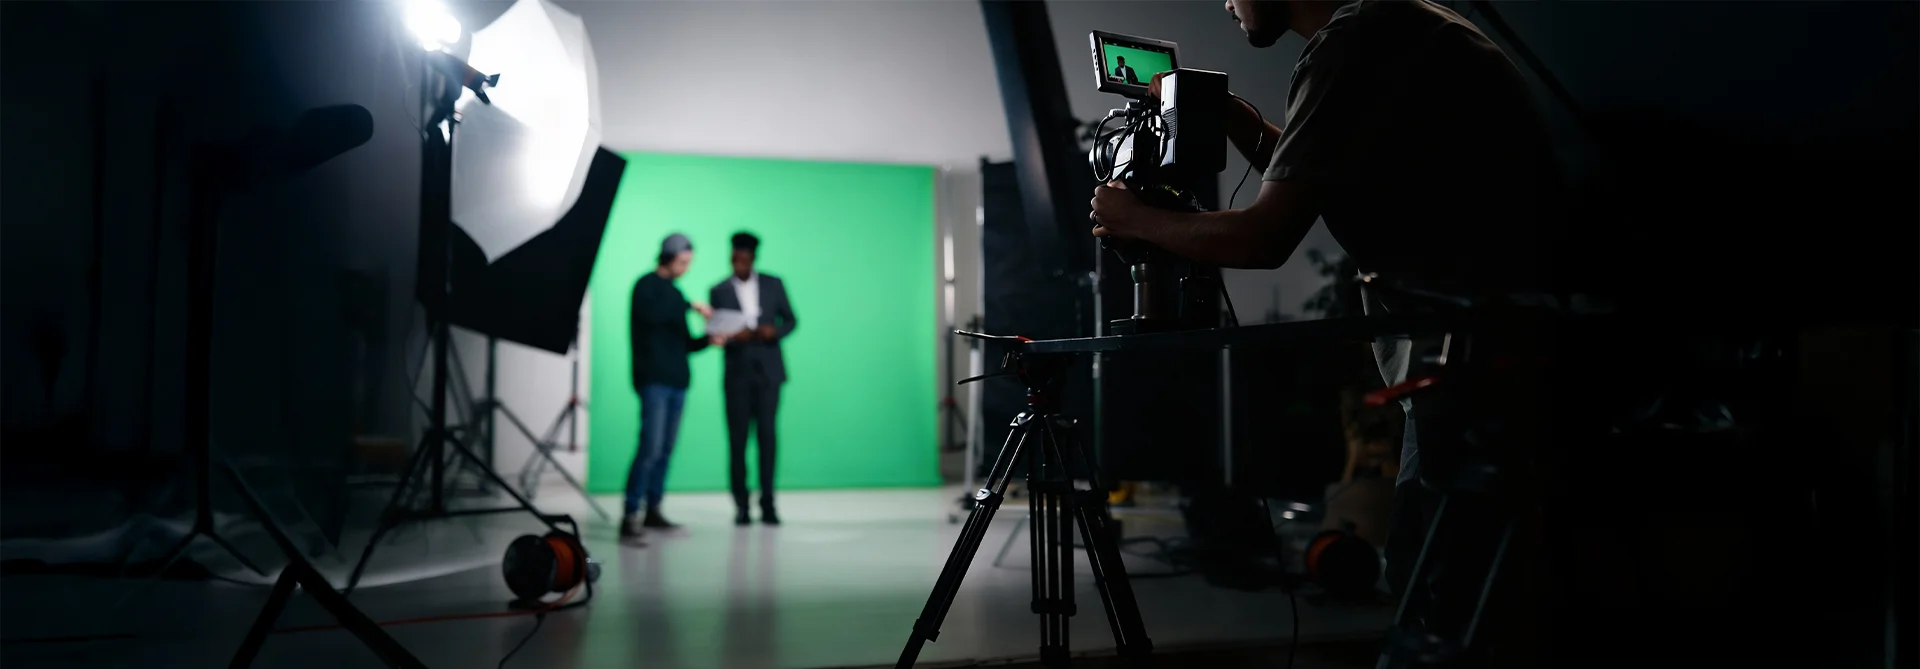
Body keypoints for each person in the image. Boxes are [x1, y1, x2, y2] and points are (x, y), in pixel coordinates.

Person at [1088, 0, 1562, 664]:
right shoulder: (1400, 23)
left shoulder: (1353, 43)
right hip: (1494, 350)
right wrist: (1236, 118)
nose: (1225, 3)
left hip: (1478, 362)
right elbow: (1320, 169)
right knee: (1449, 571)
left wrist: (1132, 218)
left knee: (1445, 589)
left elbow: (1265, 235)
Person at [624, 233, 722, 542]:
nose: (687, 268)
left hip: (678, 382)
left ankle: (653, 509)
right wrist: (690, 306)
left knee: (665, 450)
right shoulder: (647, 287)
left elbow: (683, 343)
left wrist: (709, 338)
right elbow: (653, 317)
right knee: (649, 448)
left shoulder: (677, 295)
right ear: (668, 257)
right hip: (654, 382)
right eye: (684, 261)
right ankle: (630, 515)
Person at [709, 232, 797, 526]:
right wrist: (735, 336)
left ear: (753, 258)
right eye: (735, 259)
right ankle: (741, 505)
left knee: (768, 439)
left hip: (769, 373)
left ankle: (768, 502)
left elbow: (792, 319)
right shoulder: (719, 290)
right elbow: (716, 329)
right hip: (737, 375)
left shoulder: (774, 284)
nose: (739, 264)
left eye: (744, 259)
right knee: (737, 442)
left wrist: (774, 331)